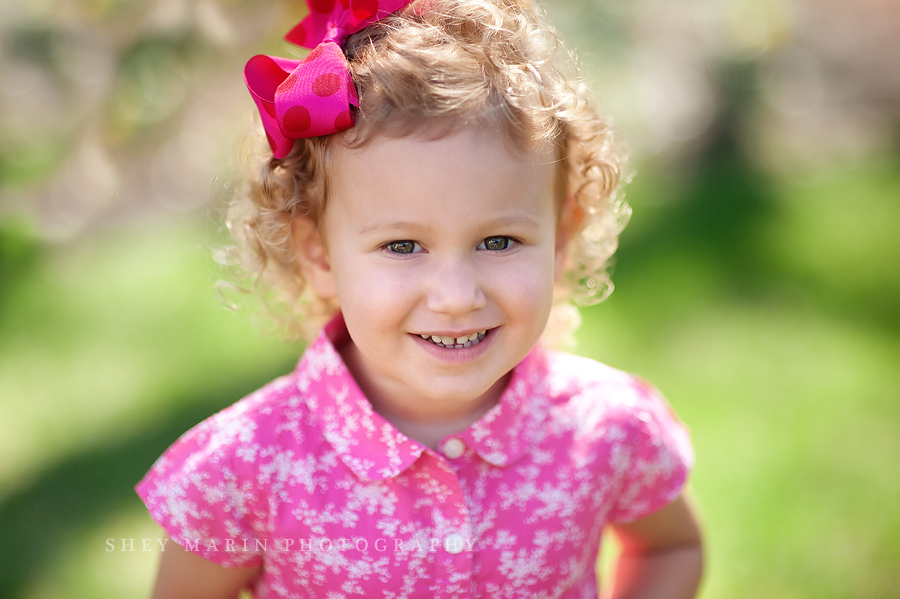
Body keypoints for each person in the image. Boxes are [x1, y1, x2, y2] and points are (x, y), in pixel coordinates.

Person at [136, 0, 704, 596]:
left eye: (499, 240)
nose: (457, 296)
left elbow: (670, 545)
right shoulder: (244, 470)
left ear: (560, 240)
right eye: (404, 246)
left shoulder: (607, 428)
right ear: (320, 255)